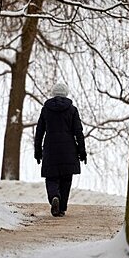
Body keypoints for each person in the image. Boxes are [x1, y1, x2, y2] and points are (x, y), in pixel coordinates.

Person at [34, 82, 87, 217]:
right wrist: (82, 151)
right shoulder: (72, 110)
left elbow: (39, 131)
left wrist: (37, 151)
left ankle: (54, 198)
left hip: (51, 149)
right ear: (66, 93)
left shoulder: (46, 109)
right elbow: (78, 132)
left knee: (51, 178)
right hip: (68, 149)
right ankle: (61, 208)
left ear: (53, 93)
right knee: (66, 179)